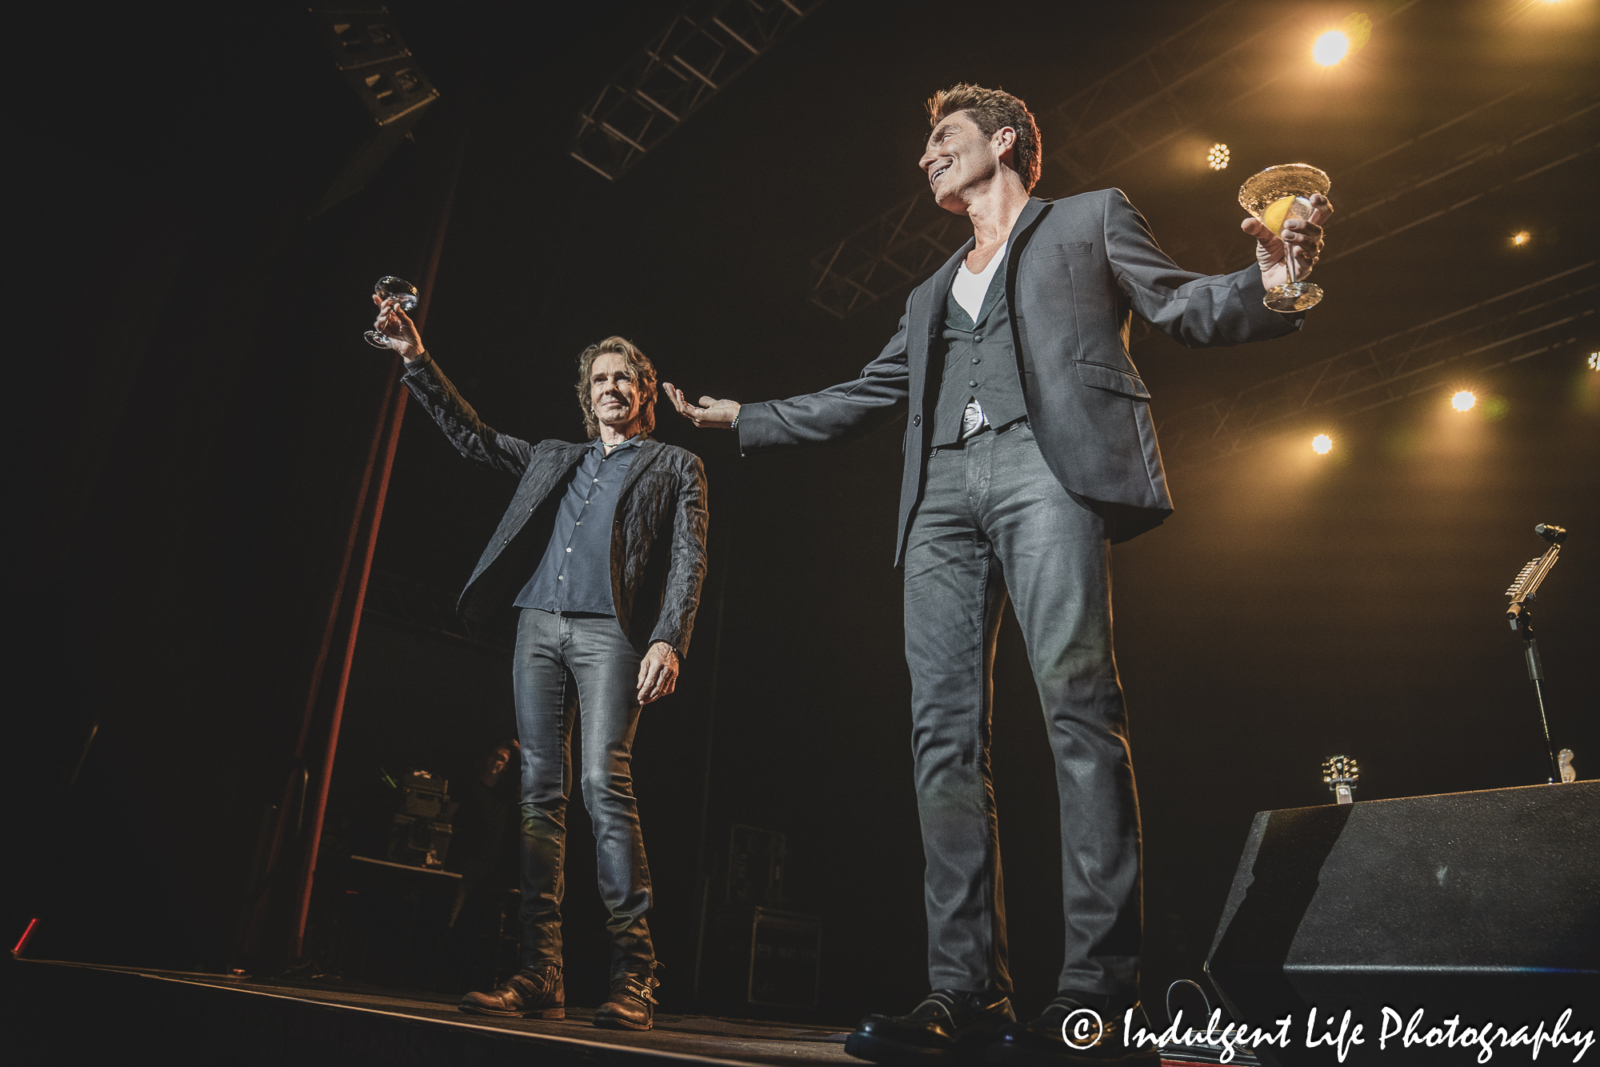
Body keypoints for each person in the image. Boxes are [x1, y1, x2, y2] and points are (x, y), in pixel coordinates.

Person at [664, 84, 1329, 1065]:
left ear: (1004, 141)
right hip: (938, 497)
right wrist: (745, 416)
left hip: (1044, 469)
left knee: (1076, 709)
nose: (925, 156)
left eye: (942, 137)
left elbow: (1180, 301)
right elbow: (867, 392)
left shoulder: (1090, 218)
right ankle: (963, 992)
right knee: (941, 734)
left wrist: (1267, 281)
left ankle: (1095, 996)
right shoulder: (926, 292)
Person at [370, 298, 709, 1031]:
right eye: (600, 379)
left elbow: (689, 559)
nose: (611, 387)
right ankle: (539, 971)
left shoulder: (677, 465)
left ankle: (635, 976)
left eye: (624, 378)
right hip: (536, 628)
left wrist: (668, 638)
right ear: (587, 397)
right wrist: (414, 358)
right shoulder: (559, 456)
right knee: (537, 793)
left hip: (611, 634)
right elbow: (472, 436)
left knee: (603, 783)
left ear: (644, 393)